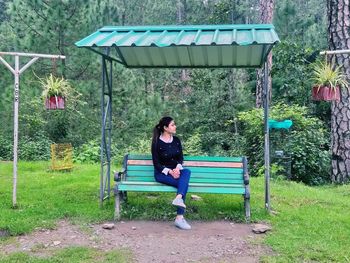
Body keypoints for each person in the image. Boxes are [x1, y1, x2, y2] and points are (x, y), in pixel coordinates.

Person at [151, 116, 192, 230]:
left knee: (187, 172)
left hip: (176, 171)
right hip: (161, 173)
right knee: (183, 184)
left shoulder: (177, 140)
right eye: (172, 125)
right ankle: (179, 218)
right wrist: (169, 172)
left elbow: (180, 158)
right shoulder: (156, 142)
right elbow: (157, 164)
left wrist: (177, 169)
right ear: (165, 128)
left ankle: (178, 198)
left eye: (175, 124)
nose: (175, 126)